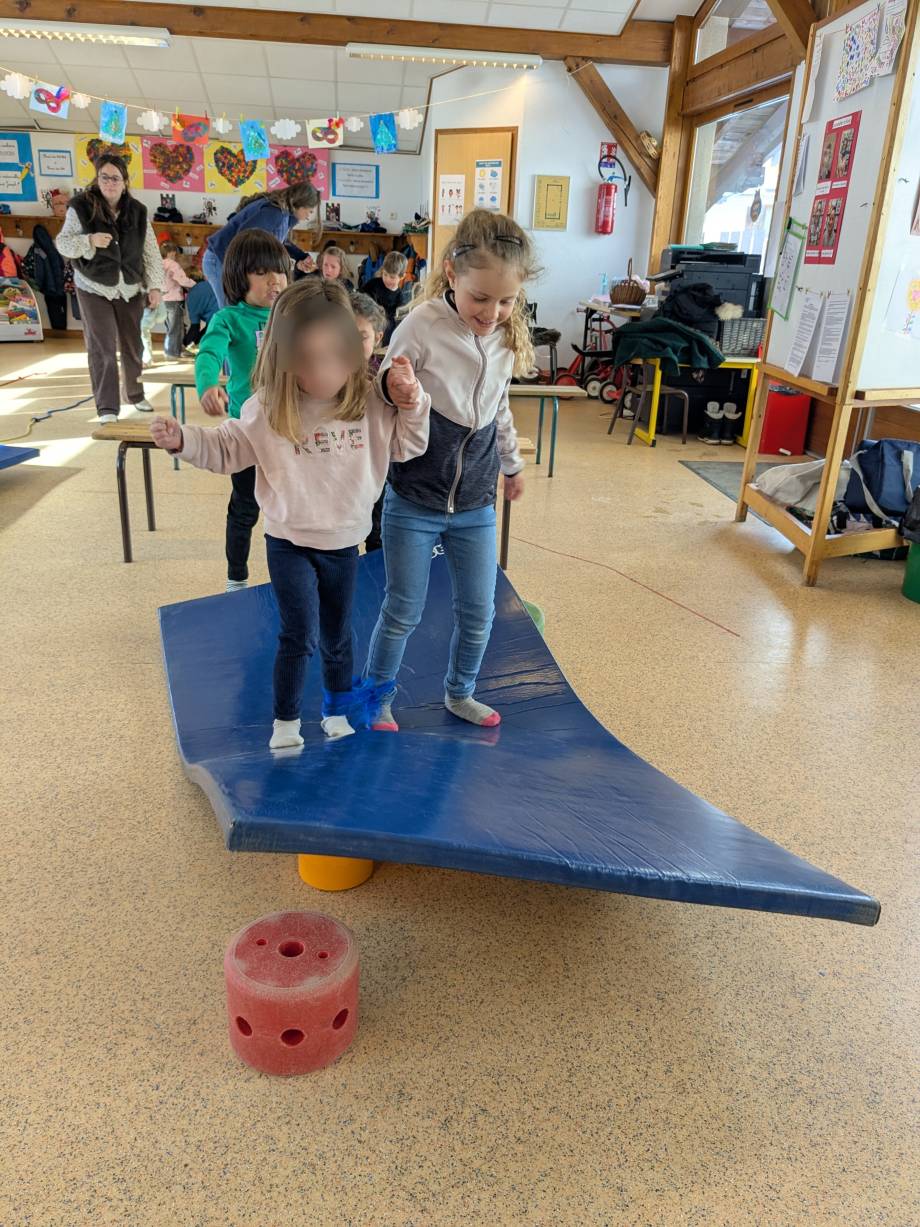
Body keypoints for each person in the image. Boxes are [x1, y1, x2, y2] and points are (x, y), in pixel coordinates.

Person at [150, 278, 430, 748]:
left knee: (338, 635)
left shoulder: (371, 401)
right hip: (288, 541)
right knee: (298, 634)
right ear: (283, 356)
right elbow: (228, 447)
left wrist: (413, 402)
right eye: (306, 360)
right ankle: (285, 723)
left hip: (343, 541)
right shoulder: (269, 406)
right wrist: (184, 440)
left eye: (333, 357)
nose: (321, 373)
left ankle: (337, 709)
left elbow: (409, 445)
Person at [364, 209, 536, 732]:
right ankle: (375, 698)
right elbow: (382, 389)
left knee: (479, 611)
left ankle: (460, 693)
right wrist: (394, 389)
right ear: (450, 273)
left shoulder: (505, 338)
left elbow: (499, 406)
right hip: (416, 497)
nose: (492, 312)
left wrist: (511, 463)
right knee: (403, 610)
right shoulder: (421, 325)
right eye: (480, 297)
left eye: (506, 301)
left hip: (477, 502)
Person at [195, 230, 290, 593]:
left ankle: (291, 576)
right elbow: (209, 353)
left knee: (291, 506)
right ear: (239, 276)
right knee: (245, 507)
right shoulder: (230, 319)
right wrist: (207, 385)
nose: (275, 281)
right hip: (248, 432)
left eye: (279, 271)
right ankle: (237, 578)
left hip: (290, 428)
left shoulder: (292, 314)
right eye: (262, 272)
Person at [55, 154, 164, 421]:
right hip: (93, 285)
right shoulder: (80, 207)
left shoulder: (138, 211)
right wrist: (89, 240)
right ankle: (107, 407)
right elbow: (63, 243)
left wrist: (156, 286)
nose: (110, 183)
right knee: (102, 346)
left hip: (129, 287)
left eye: (116, 178)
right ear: (97, 178)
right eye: (104, 177)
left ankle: (135, 395)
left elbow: (150, 252)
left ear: (125, 182)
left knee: (132, 344)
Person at [202, 183, 318, 309]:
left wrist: (301, 256)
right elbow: (245, 238)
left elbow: (279, 243)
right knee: (233, 313)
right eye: (309, 211)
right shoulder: (274, 213)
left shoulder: (281, 214)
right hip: (219, 259)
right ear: (300, 203)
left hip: (225, 259)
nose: (308, 216)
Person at [351, 292, 387, 552]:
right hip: (343, 475)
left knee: (378, 535)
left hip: (377, 472)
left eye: (361, 336)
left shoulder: (385, 376)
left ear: (377, 338)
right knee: (346, 540)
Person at [361, 250, 411, 343]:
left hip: (386, 337)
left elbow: (399, 320)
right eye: (385, 274)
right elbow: (361, 300)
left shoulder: (400, 297)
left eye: (392, 277)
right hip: (367, 330)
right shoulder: (373, 284)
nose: (387, 279)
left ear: (402, 276)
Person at [160, 240, 195, 359]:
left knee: (170, 327)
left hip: (163, 299)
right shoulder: (173, 264)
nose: (175, 255)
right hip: (174, 299)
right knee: (177, 327)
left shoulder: (159, 263)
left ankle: (172, 349)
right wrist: (195, 285)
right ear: (170, 253)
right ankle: (173, 352)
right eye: (174, 253)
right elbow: (182, 280)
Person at [183, 276, 218, 350]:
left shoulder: (202, 286)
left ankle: (187, 345)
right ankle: (192, 345)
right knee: (209, 328)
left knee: (195, 326)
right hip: (211, 303)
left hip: (193, 298)